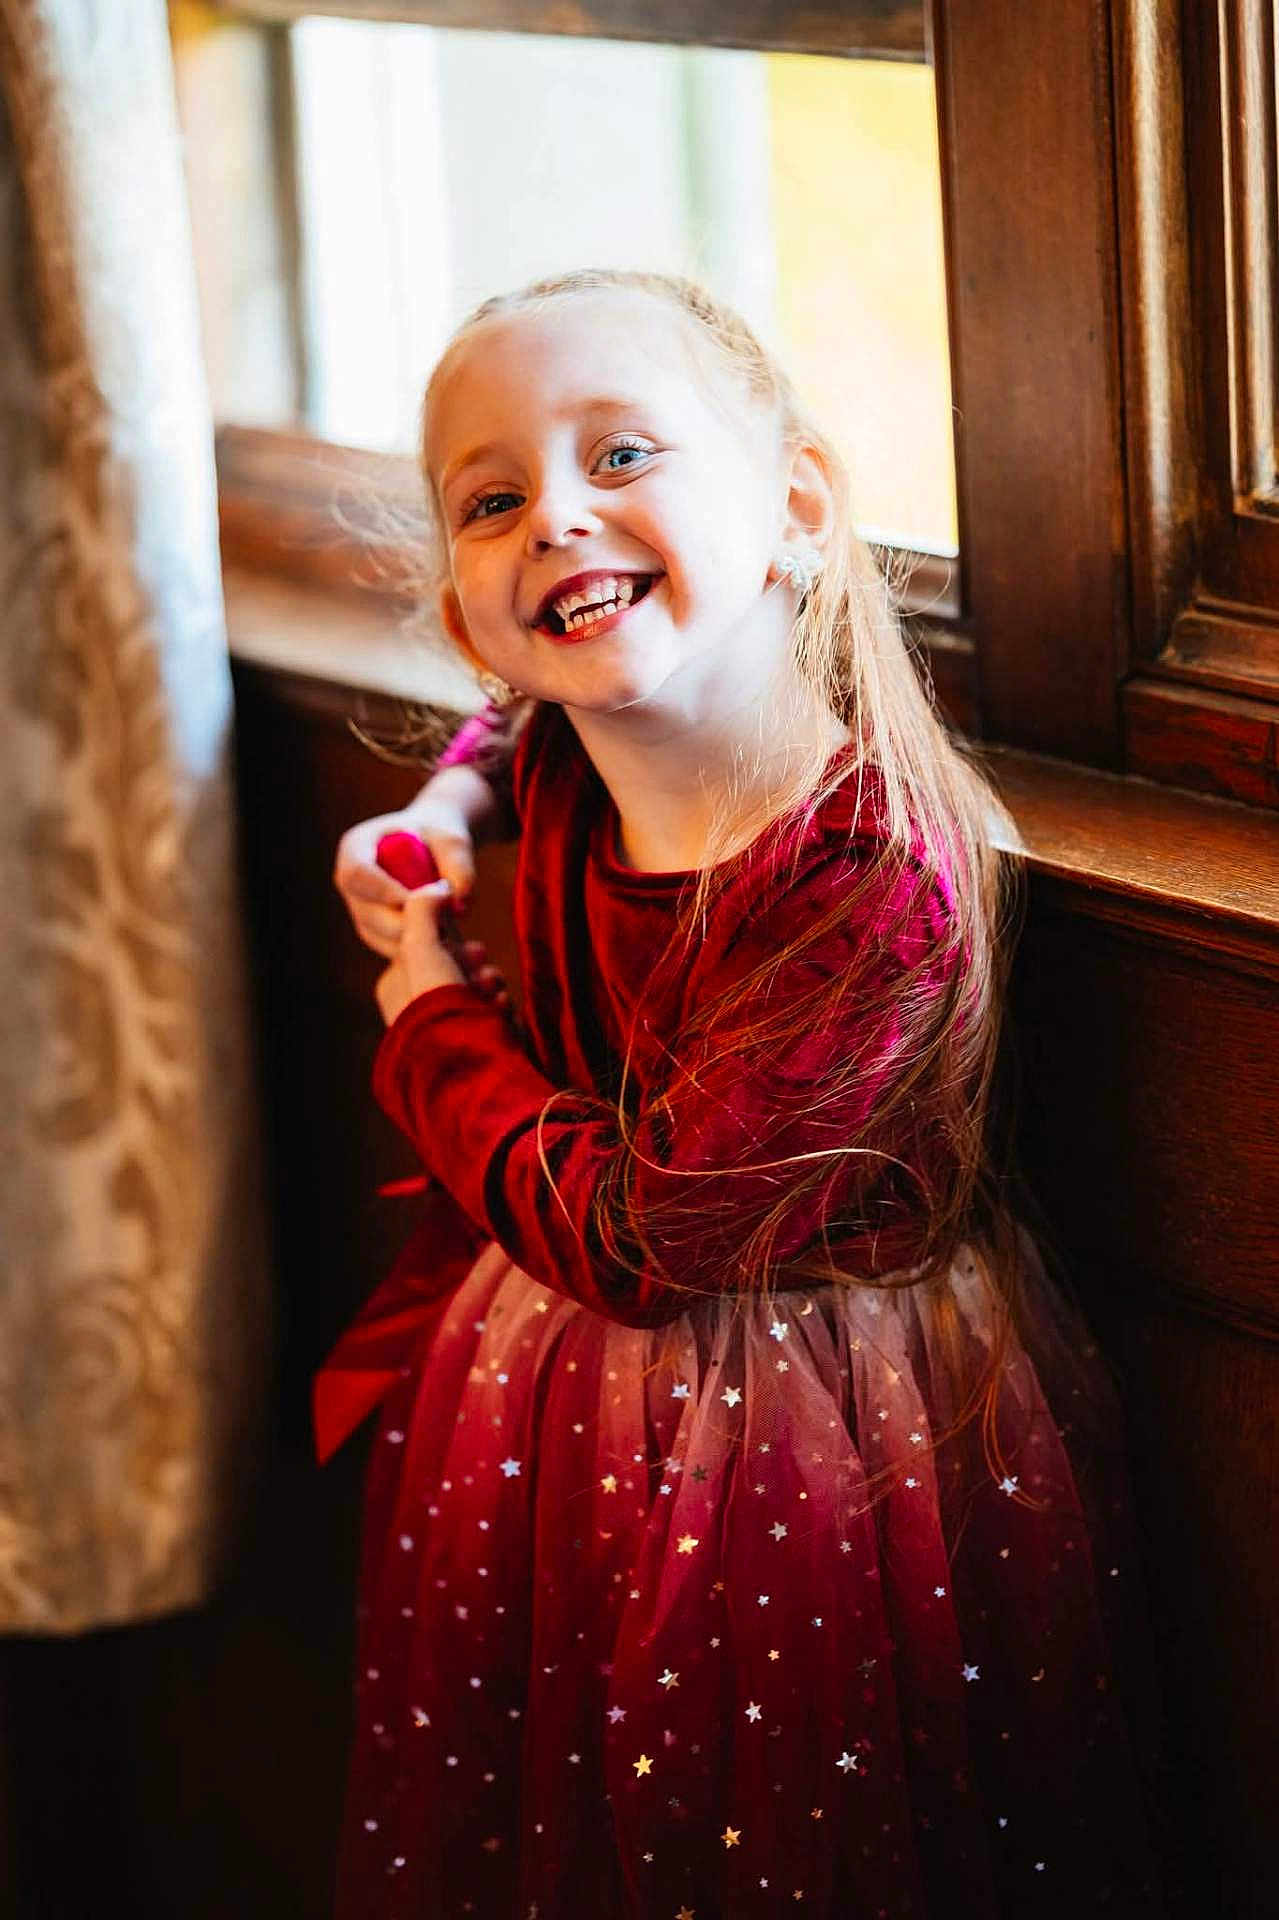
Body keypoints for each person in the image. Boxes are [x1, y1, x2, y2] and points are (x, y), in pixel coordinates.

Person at [318, 269, 1166, 1918]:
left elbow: (645, 1240)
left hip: (819, 1427)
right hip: (554, 1393)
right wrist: (435, 816)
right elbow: (507, 728)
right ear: (466, 610)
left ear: (793, 508)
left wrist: (427, 1015)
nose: (558, 516)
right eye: (492, 502)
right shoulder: (562, 724)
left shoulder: (872, 878)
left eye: (621, 454)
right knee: (565, 1792)